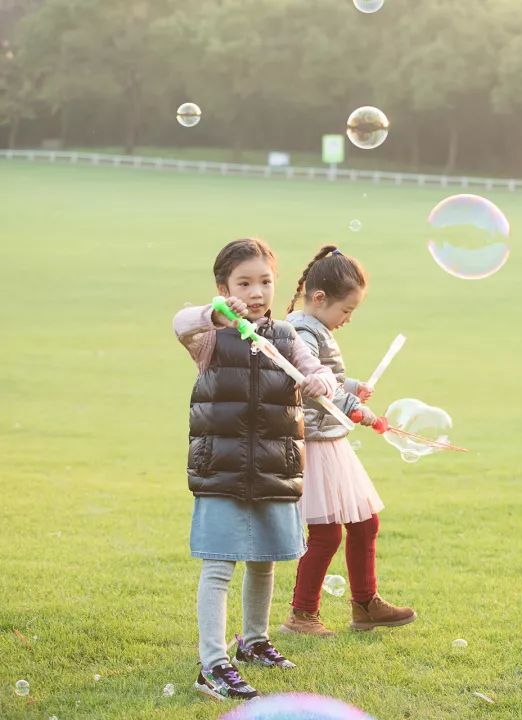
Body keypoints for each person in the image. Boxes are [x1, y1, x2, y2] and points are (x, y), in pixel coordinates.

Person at [173, 238, 336, 701]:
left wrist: (320, 378)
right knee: (220, 565)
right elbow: (179, 323)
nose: (257, 291)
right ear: (224, 288)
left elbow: (313, 369)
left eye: (264, 281)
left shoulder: (285, 336)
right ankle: (212, 663)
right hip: (220, 468)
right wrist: (215, 314)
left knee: (264, 560)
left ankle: (253, 640)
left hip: (272, 466)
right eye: (244, 283)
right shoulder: (209, 338)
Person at [281, 245, 416, 637]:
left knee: (364, 522)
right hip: (317, 444)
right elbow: (311, 385)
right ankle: (301, 615)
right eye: (346, 311)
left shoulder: (315, 327)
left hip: (331, 442)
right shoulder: (301, 329)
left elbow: (329, 376)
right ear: (319, 298)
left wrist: (353, 386)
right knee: (326, 533)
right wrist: (358, 410)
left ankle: (365, 604)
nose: (348, 319)